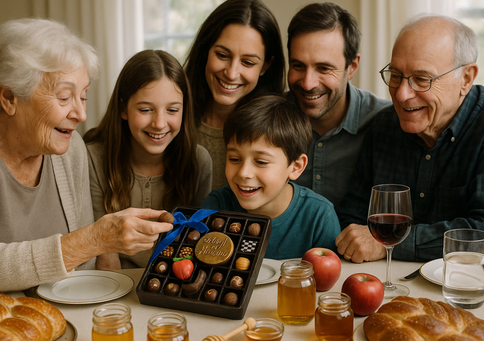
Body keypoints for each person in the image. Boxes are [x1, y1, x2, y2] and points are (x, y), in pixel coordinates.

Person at [0, 18, 172, 297]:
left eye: (84, 95)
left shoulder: (69, 147)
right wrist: (94, 239)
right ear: (9, 97)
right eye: (65, 97)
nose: (81, 114)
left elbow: (85, 267)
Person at [336, 14, 481, 263]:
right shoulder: (383, 125)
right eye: (395, 75)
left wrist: (388, 243)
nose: (402, 95)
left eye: (422, 80)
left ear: (465, 79)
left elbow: (480, 233)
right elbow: (352, 216)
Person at [83, 50, 212, 269]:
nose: (159, 123)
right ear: (123, 108)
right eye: (145, 109)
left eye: (172, 110)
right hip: (114, 284)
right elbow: (104, 256)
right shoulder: (92, 158)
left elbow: (195, 245)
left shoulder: (199, 161)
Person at [202, 95, 341, 259]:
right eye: (234, 159)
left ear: (296, 167)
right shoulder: (216, 205)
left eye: (261, 162)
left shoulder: (319, 217)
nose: (243, 173)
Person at [286, 2, 390, 212]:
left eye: (323, 68)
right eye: (298, 65)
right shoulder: (268, 119)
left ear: (352, 67)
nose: (308, 83)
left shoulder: (386, 123)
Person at [184, 0, 285, 190]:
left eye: (247, 62)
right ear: (206, 50)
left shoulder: (278, 130)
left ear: (265, 66)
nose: (231, 73)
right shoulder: (170, 116)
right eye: (222, 55)